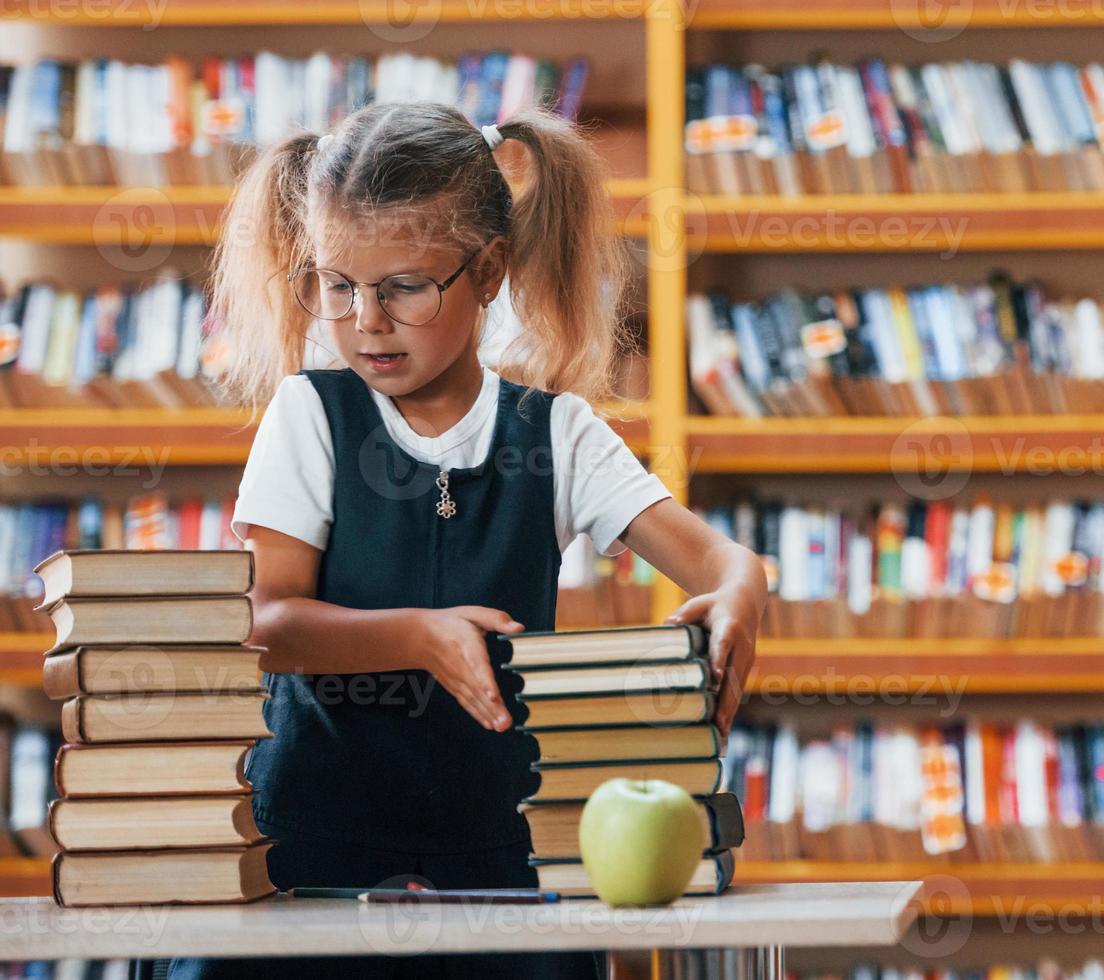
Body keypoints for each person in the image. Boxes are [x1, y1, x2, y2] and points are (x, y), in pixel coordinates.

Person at [165, 102, 766, 979]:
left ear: (488, 273)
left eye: (404, 286)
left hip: (505, 860)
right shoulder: (311, 413)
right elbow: (264, 620)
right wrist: (417, 634)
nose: (365, 319)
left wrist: (743, 584)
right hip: (312, 858)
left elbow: (719, 560)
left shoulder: (557, 433)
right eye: (338, 284)